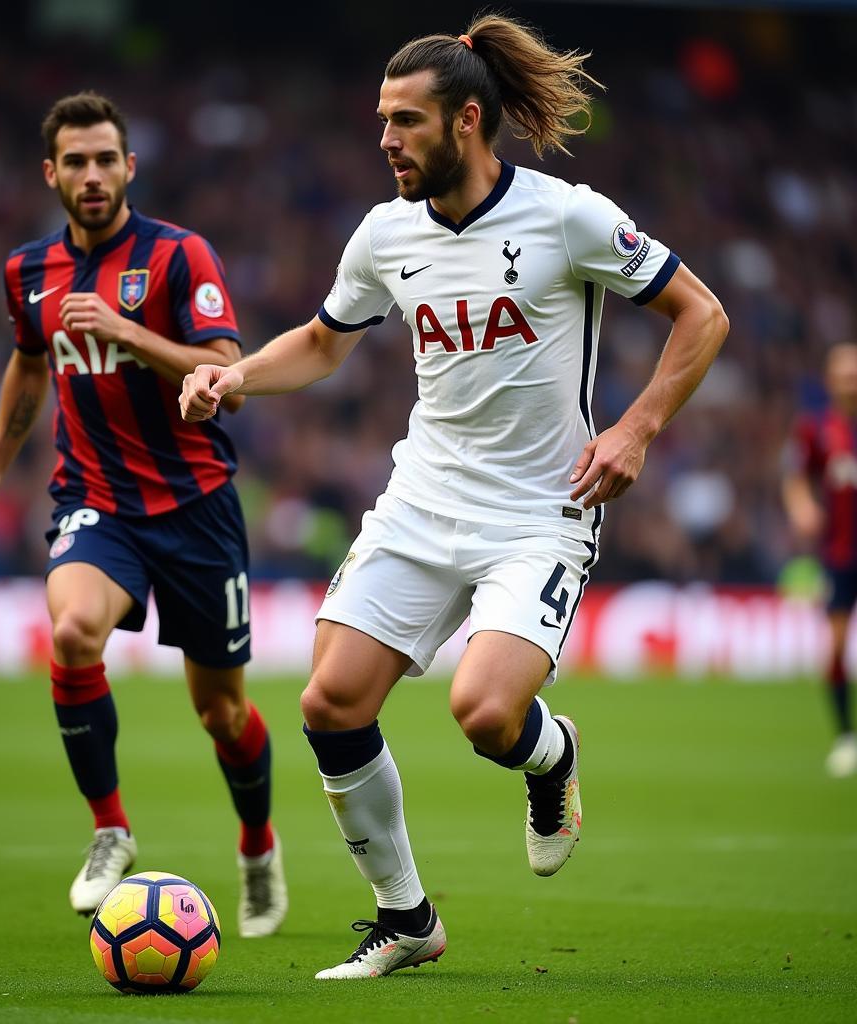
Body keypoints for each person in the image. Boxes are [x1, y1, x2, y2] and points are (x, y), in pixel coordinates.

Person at [183, 14, 728, 980]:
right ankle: (405, 918)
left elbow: (702, 313)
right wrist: (232, 378)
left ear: (466, 121)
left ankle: (549, 757)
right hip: (423, 498)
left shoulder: (568, 216)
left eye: (404, 122)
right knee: (330, 701)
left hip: (539, 511)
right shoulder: (386, 233)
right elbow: (322, 341)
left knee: (483, 714)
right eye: (381, 121)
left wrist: (636, 427)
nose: (384, 140)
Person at [0, 91, 287, 936]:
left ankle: (257, 846)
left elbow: (224, 376)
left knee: (224, 714)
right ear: (51, 172)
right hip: (96, 502)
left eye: (107, 160)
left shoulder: (179, 257)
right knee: (70, 634)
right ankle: (109, 828)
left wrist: (131, 334)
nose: (92, 176)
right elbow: (29, 370)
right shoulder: (28, 272)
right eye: (76, 162)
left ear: (130, 167)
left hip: (198, 507)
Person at [782, 342, 857, 778]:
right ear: (831, 381)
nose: (851, 383)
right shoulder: (817, 429)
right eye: (844, 376)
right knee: (834, 645)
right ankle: (846, 736)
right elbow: (795, 477)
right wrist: (802, 507)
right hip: (841, 554)